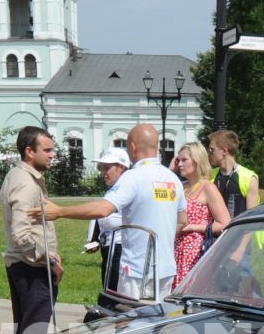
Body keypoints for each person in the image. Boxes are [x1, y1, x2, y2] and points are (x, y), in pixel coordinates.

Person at [38, 122, 184, 301]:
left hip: (137, 270)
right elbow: (182, 220)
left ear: (132, 146)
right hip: (166, 268)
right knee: (157, 322)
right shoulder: (173, 179)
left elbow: (103, 208)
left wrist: (60, 211)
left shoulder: (133, 177)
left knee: (133, 322)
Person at [1, 126, 62, 334]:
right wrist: (49, 259)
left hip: (26, 266)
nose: (52, 154)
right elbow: (22, 235)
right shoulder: (25, 183)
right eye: (46, 150)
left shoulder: (20, 176)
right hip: (31, 269)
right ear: (29, 151)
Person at [172, 142, 230, 286]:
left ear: (197, 160)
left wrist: (193, 227)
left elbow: (225, 223)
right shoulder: (181, 187)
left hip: (196, 252)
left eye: (184, 160)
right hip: (176, 249)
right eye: (178, 160)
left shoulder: (208, 187)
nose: (179, 164)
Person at [207, 129, 256, 244]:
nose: (209, 153)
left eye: (211, 149)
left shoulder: (249, 177)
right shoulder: (210, 176)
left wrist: (240, 250)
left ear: (224, 151)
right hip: (214, 241)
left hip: (237, 243)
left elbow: (251, 219)